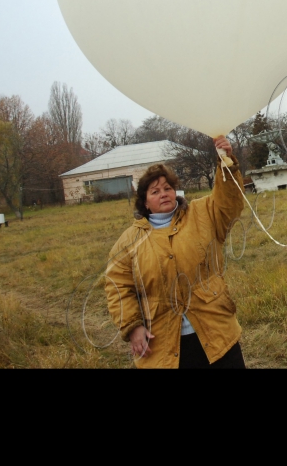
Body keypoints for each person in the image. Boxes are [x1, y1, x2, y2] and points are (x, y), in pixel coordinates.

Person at [105, 137, 246, 369]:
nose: (164, 193)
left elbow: (229, 202)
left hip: (218, 334)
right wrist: (132, 326)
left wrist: (225, 162)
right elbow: (116, 286)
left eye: (168, 188)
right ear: (145, 203)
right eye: (155, 191)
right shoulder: (128, 241)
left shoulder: (202, 213)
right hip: (162, 346)